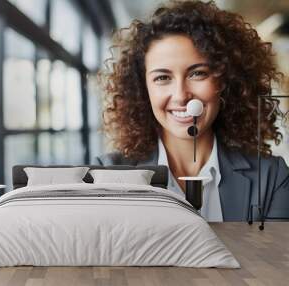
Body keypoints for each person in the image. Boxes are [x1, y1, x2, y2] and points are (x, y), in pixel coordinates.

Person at [96, 0, 289, 222]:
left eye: (197, 73)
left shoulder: (273, 178)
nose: (181, 95)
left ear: (225, 80)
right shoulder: (107, 175)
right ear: (142, 89)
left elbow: (272, 256)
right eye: (162, 78)